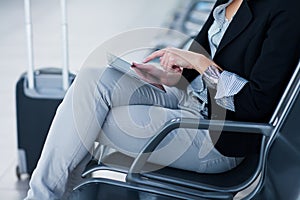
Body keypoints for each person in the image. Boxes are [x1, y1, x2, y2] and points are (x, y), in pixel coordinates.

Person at [25, 0, 300, 199]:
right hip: (186, 101)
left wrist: (201, 63)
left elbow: (256, 103)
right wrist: (168, 75)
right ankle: (43, 195)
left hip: (220, 135)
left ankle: (50, 195)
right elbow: (192, 71)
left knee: (97, 118)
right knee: (93, 78)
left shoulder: (286, 9)